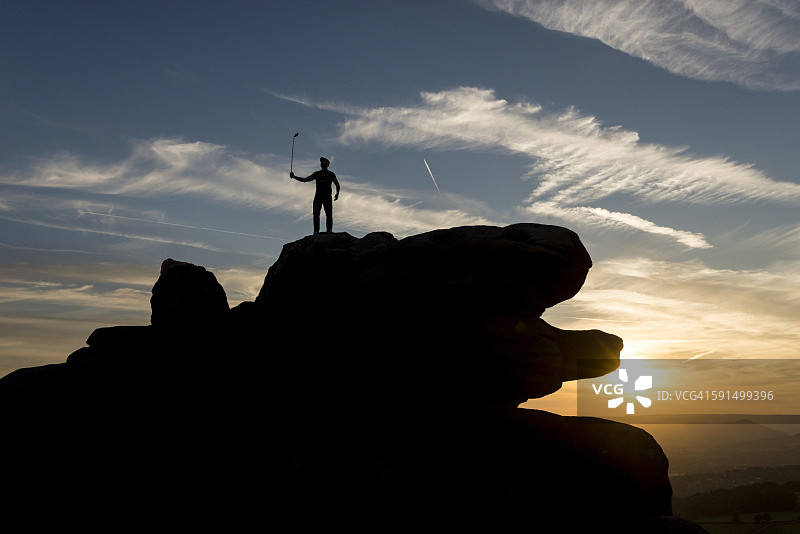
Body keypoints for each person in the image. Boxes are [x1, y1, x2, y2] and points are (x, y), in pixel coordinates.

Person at [290, 157, 341, 234]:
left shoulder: (331, 174)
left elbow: (337, 184)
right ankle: (316, 232)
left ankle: (328, 231)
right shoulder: (317, 174)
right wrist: (294, 177)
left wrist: (337, 193)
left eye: (324, 162)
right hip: (319, 195)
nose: (323, 163)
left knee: (328, 213)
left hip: (326, 195)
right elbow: (305, 180)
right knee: (317, 214)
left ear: (327, 164)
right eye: (322, 162)